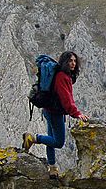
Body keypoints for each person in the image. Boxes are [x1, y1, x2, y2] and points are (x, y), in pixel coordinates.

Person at [22, 51, 88, 179]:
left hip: (49, 110)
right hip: (54, 113)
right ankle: (33, 137)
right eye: (70, 61)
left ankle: (52, 169)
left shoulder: (62, 75)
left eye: (74, 61)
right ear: (64, 62)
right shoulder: (62, 77)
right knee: (58, 142)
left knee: (51, 139)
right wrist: (77, 113)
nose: (73, 63)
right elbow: (66, 99)